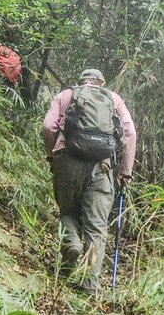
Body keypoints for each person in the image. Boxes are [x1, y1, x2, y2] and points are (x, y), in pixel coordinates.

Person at [43, 68, 136, 295]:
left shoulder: (66, 95)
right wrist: (125, 171)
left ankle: (72, 245)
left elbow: (48, 126)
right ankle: (89, 286)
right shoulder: (113, 99)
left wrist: (52, 155)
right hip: (101, 167)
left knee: (68, 212)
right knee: (96, 228)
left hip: (67, 162)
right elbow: (130, 133)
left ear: (82, 81)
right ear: (102, 83)